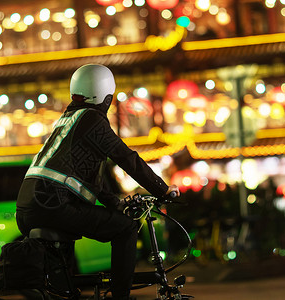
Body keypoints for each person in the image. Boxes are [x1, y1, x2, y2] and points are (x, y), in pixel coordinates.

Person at [16, 64, 179, 300]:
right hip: (53, 204)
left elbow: (91, 179)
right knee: (126, 228)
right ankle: (120, 297)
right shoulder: (92, 120)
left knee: (65, 286)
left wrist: (115, 203)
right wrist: (163, 190)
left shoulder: (68, 120)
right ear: (106, 96)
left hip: (30, 207)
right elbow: (126, 158)